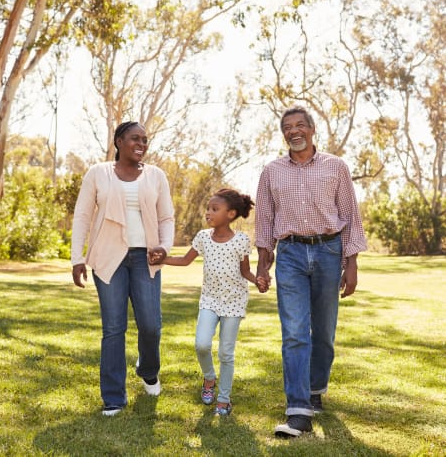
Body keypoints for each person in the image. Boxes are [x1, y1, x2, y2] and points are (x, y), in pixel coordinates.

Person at [255, 105, 367, 437]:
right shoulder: (272, 171)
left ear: (312, 129)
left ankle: (315, 389)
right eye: (288, 127)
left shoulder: (336, 167)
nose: (294, 131)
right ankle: (298, 409)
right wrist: (264, 260)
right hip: (289, 253)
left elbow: (350, 216)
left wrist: (352, 263)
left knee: (324, 333)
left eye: (300, 125)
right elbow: (264, 220)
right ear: (283, 133)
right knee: (294, 332)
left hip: (329, 251)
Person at [71, 121, 174, 416]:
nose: (141, 143)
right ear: (118, 141)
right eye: (134, 138)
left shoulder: (156, 176)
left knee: (151, 325)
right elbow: (82, 216)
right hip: (108, 257)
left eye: (145, 139)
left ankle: (148, 369)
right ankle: (114, 397)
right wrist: (77, 257)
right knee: (114, 328)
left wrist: (164, 247)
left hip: (146, 258)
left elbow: (166, 218)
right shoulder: (98, 173)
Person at [155, 188, 267, 416]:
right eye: (208, 208)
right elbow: (186, 261)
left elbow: (245, 271)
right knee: (202, 344)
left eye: (214, 209)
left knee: (226, 353)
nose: (208, 213)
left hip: (234, 302)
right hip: (209, 300)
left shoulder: (242, 240)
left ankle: (224, 400)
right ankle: (209, 378)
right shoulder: (203, 237)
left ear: (231, 213)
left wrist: (258, 281)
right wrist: (162, 259)